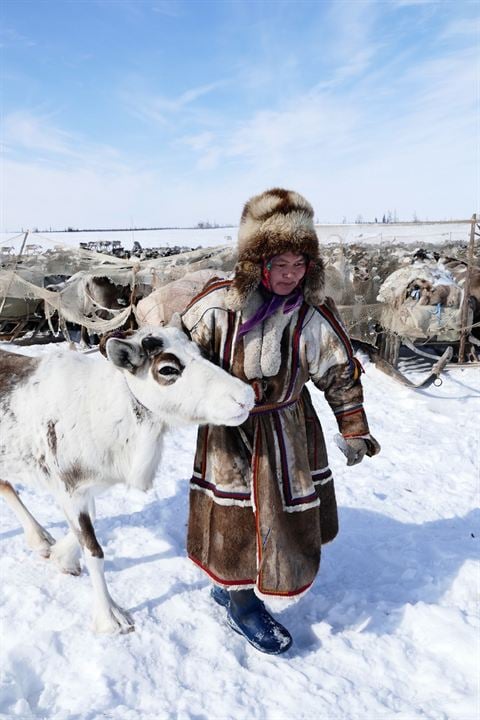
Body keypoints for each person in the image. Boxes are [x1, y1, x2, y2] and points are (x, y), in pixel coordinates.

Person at [181, 188, 380, 655]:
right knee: (234, 517)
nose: (290, 276)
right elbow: (177, 354)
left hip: (289, 430)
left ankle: (241, 590)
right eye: (279, 265)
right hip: (228, 432)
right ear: (257, 264)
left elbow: (339, 372)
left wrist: (354, 427)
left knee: (279, 519)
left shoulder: (312, 315)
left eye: (299, 266)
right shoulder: (216, 307)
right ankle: (240, 601)